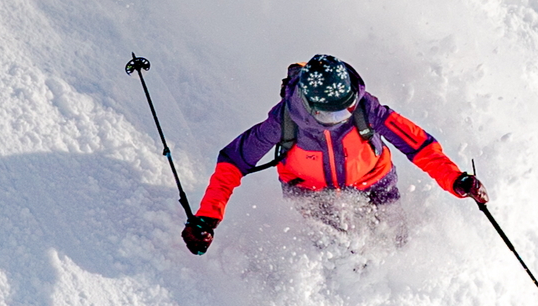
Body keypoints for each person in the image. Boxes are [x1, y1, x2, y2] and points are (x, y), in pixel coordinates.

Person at [181, 53, 489, 255]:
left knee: (396, 243)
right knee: (337, 251)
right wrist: (207, 218)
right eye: (333, 115)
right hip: (311, 192)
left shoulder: (368, 109)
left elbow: (419, 146)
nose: (345, 116)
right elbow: (233, 161)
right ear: (312, 108)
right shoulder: (284, 120)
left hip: (375, 182)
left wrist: (457, 180)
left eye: (350, 104)